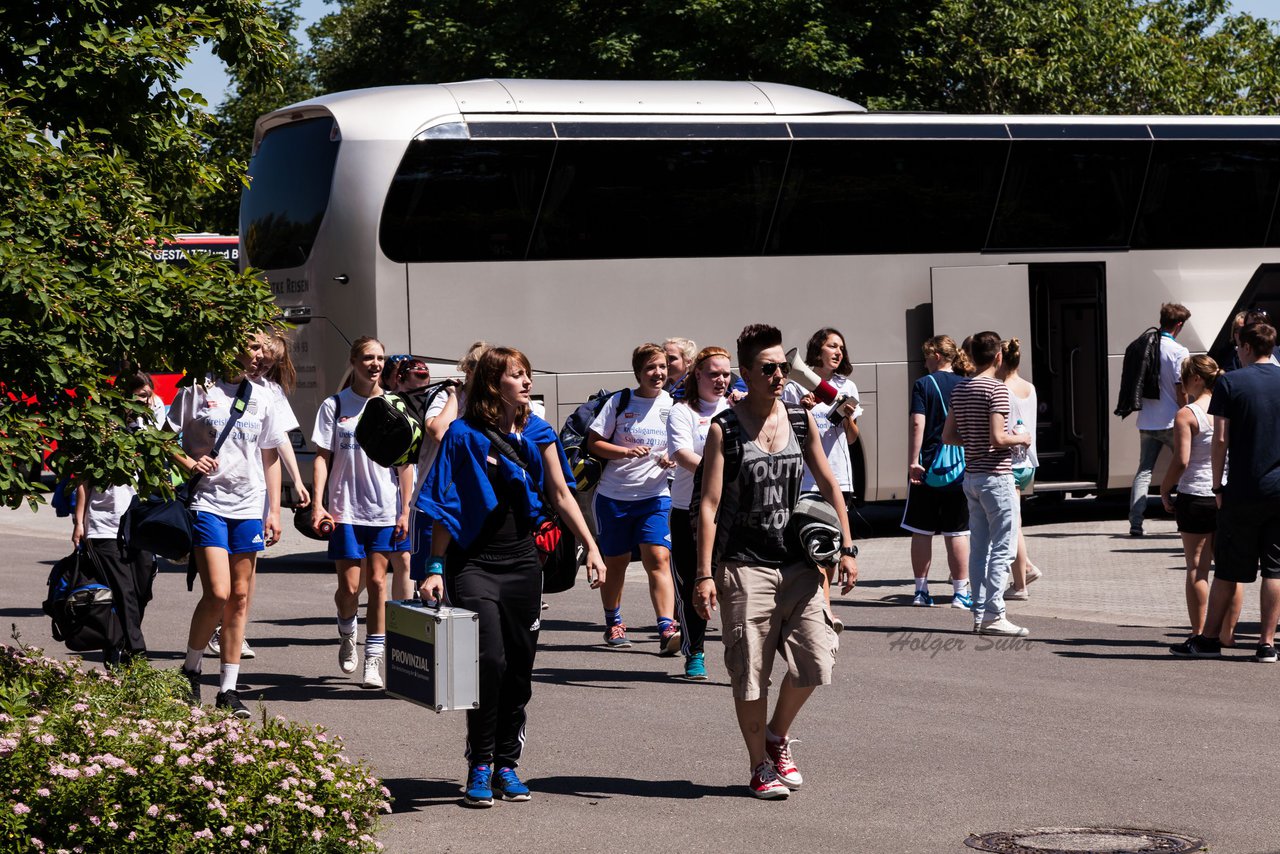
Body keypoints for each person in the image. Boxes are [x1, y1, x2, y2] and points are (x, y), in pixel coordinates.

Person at [418, 346, 606, 807]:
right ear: (491, 383)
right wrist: (434, 567)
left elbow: (562, 494)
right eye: (516, 376)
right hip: (474, 562)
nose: (526, 382)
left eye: (527, 375)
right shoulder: (462, 435)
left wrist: (593, 549)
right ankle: (479, 764)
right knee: (491, 662)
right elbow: (446, 504)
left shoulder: (539, 431)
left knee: (519, 670)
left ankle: (507, 765)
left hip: (524, 562)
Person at [694, 323, 858, 800]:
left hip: (798, 562)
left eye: (783, 367)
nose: (780, 375)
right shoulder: (723, 428)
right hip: (744, 564)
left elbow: (828, 484)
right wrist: (704, 573)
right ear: (746, 372)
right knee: (751, 671)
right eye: (769, 369)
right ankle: (759, 765)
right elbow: (708, 503)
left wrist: (847, 547)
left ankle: (777, 734)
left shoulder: (799, 419)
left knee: (815, 659)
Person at [170, 336, 285, 718]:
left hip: (249, 505)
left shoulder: (264, 395)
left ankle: (228, 689)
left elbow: (269, 456)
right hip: (208, 502)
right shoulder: (198, 389)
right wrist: (190, 464)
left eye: (260, 351)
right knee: (217, 593)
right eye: (250, 348)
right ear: (227, 348)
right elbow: (162, 437)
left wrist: (275, 510)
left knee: (239, 598)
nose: (257, 357)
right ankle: (190, 669)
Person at [1173, 318, 1280, 662]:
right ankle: (1266, 644)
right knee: (1275, 570)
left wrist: (1218, 484)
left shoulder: (1231, 383)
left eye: (1238, 347)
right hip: (1279, 489)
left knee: (1230, 570)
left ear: (1247, 347)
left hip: (1243, 489)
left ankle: (1208, 639)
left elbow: (1220, 439)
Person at [310, 337, 414, 690]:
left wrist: (405, 509)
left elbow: (405, 464)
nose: (375, 363)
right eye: (368, 357)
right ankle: (346, 631)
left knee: (377, 584)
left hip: (383, 509)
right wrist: (318, 503)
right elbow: (323, 457)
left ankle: (374, 660)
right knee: (350, 587)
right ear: (353, 361)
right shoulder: (335, 405)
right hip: (345, 509)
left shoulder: (394, 404)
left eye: (380, 358)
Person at [208, 329, 311, 661]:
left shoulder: (271, 392)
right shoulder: (220, 386)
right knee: (223, 573)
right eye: (259, 361)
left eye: (268, 365)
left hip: (256, 489)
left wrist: (295, 481)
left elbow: (278, 444)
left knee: (247, 572)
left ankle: (236, 629)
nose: (260, 368)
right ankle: (217, 627)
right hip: (220, 488)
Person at [587, 343, 679, 651]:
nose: (658, 373)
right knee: (617, 563)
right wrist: (625, 451)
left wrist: (670, 460)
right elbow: (595, 443)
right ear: (638, 372)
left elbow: (681, 446)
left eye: (663, 367)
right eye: (651, 368)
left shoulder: (675, 404)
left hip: (655, 495)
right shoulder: (619, 401)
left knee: (659, 557)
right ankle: (613, 623)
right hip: (614, 497)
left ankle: (667, 627)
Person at [942, 331, 1032, 637]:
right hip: (997, 476)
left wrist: (973, 439)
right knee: (1003, 549)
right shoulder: (997, 390)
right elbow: (999, 437)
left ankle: (979, 612)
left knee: (979, 547)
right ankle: (995, 613)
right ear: (998, 357)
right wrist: (1022, 437)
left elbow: (948, 436)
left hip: (972, 477)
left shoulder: (960, 389)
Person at [71, 371, 164, 666]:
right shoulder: (104, 430)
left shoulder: (151, 429)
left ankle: (116, 643)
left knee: (141, 590)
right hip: (104, 523)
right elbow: (84, 479)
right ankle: (136, 654)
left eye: (146, 395)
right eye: (137, 396)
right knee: (123, 590)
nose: (142, 401)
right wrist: (78, 520)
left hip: (141, 524)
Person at [1160, 355, 1242, 647]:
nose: (1181, 384)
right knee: (1229, 568)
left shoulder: (1187, 414)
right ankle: (1227, 634)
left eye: (1183, 378)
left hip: (1195, 494)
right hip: (1226, 492)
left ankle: (1199, 632)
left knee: (1197, 567)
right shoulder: (1227, 409)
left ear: (1196, 379)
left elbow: (1181, 460)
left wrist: (1165, 488)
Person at [783, 327, 862, 627]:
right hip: (806, 480)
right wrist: (803, 410)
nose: (838, 351)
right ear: (818, 349)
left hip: (839, 479)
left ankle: (817, 606)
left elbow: (852, 438)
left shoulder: (847, 386)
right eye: (832, 346)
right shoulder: (794, 387)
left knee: (830, 554)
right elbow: (787, 433)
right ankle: (825, 611)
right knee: (817, 550)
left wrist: (847, 415)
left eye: (841, 346)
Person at [665, 345, 732, 681]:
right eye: (714, 374)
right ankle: (696, 651)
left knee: (731, 581)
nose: (721, 380)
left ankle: (739, 650)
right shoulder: (682, 412)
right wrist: (716, 471)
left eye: (726, 374)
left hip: (729, 511)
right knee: (694, 581)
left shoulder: (737, 408)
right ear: (698, 376)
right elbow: (680, 453)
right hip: (686, 511)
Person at [902, 335, 973, 610]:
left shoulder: (922, 385)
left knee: (921, 530)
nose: (924, 360)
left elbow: (917, 425)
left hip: (928, 467)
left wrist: (913, 461)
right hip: (959, 468)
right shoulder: (966, 384)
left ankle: (921, 591)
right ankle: (960, 594)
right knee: (957, 532)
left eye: (927, 355)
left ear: (939, 356)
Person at [1129, 303, 1191, 537]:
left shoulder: (1145, 345)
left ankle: (1136, 523)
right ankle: (1185, 518)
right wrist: (1187, 413)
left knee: (1144, 471)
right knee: (1186, 466)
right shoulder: (1178, 351)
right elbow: (1180, 389)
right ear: (1178, 325)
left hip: (1146, 420)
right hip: (1171, 421)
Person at [997, 338, 1043, 600]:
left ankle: (1020, 584)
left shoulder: (1001, 389)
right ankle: (1025, 569)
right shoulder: (1030, 387)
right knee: (1017, 521)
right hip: (1028, 462)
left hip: (1009, 461)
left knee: (1013, 526)